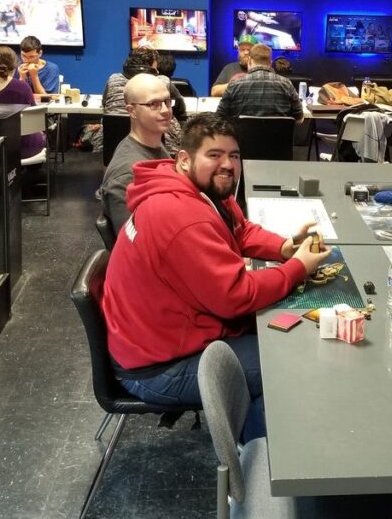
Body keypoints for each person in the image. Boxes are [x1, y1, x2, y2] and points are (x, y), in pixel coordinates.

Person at [102, 113, 331, 437]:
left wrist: (284, 247)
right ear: (184, 159)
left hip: (162, 338)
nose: (228, 165)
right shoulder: (181, 216)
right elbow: (235, 296)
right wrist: (298, 268)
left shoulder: (199, 190)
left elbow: (240, 230)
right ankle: (255, 457)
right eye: (214, 155)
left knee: (283, 337)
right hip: (158, 368)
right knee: (286, 362)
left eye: (233, 156)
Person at [99, 74, 176, 235]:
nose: (165, 110)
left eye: (167, 101)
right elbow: (133, 240)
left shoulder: (153, 145)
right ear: (132, 111)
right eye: (153, 104)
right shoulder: (126, 175)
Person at [216, 44, 303, 121]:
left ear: (249, 61)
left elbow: (219, 117)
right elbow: (299, 118)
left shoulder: (234, 85)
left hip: (243, 135)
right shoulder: (286, 84)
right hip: (279, 135)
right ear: (270, 63)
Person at [102, 47, 187, 122]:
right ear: (152, 64)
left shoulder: (113, 79)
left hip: (111, 133)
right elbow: (180, 107)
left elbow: (105, 104)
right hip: (152, 133)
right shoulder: (163, 81)